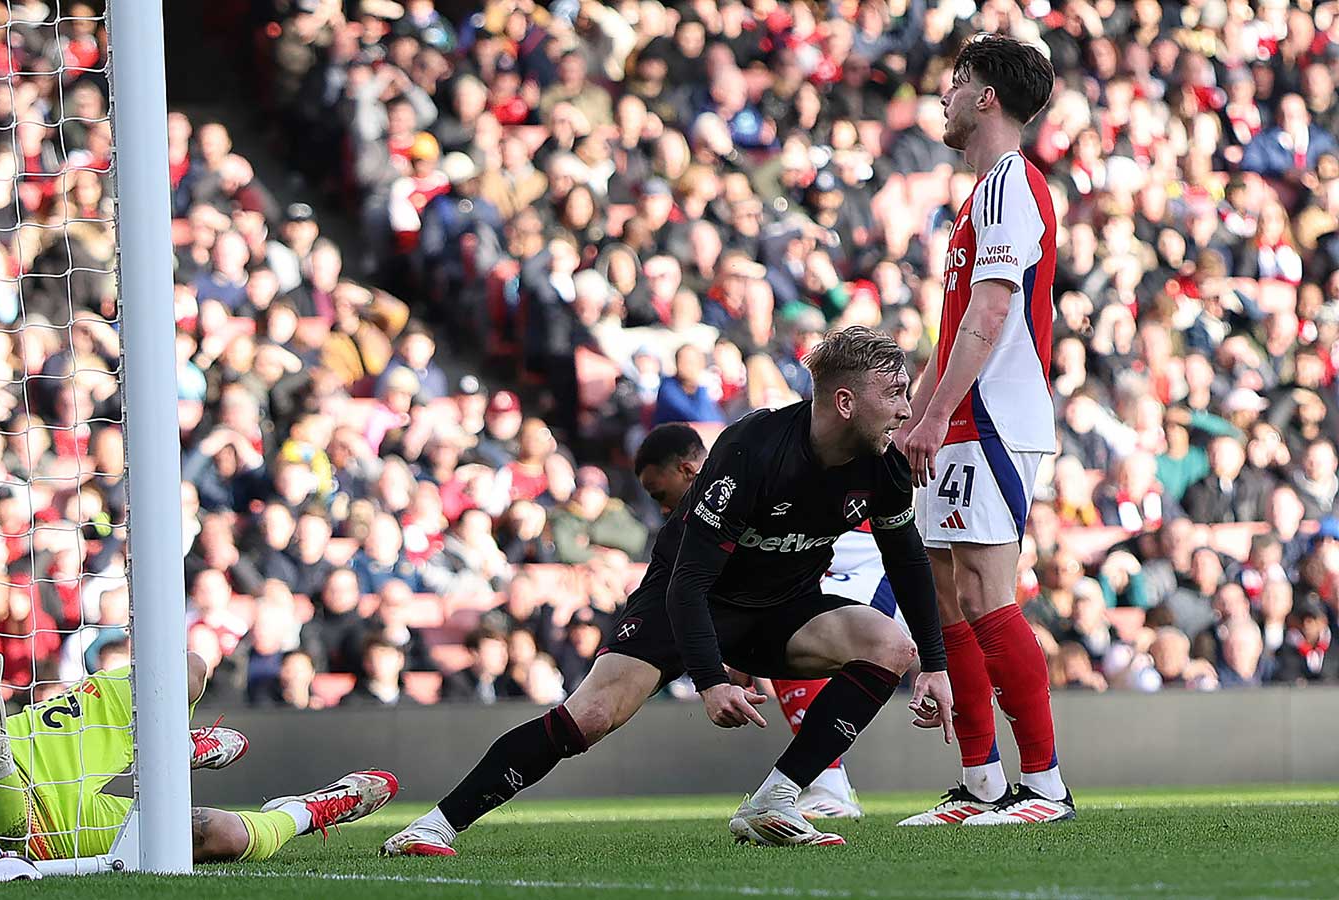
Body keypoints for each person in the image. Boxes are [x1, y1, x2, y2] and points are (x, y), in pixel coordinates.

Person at [382, 327, 952, 855]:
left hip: (782, 607)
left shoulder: (885, 463)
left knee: (889, 645)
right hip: (686, 603)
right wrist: (708, 681)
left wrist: (934, 663)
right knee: (592, 715)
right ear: (845, 403)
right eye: (895, 393)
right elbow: (689, 583)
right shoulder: (752, 449)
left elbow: (907, 562)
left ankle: (774, 799)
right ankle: (435, 823)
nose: (907, 409)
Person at [0, 564, 398, 870]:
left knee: (184, 668)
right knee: (216, 836)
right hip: (46, 823)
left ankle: (168, 747)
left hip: (30, 742)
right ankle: (312, 810)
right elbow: (4, 835)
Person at [898, 35, 1074, 826]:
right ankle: (980, 784)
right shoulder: (977, 197)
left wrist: (935, 414)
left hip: (994, 417)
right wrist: (915, 415)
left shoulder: (1010, 186)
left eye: (958, 79)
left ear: (988, 98)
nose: (946, 93)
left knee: (986, 593)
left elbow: (994, 310)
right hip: (960, 416)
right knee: (948, 598)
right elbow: (953, 332)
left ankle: (1045, 786)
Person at [630, 422, 901, 820]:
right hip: (820, 563)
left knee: (818, 639)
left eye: (660, 494)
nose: (664, 509)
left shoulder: (744, 474)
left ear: (688, 471)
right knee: (788, 641)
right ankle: (819, 783)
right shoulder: (720, 502)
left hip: (861, 553)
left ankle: (828, 785)